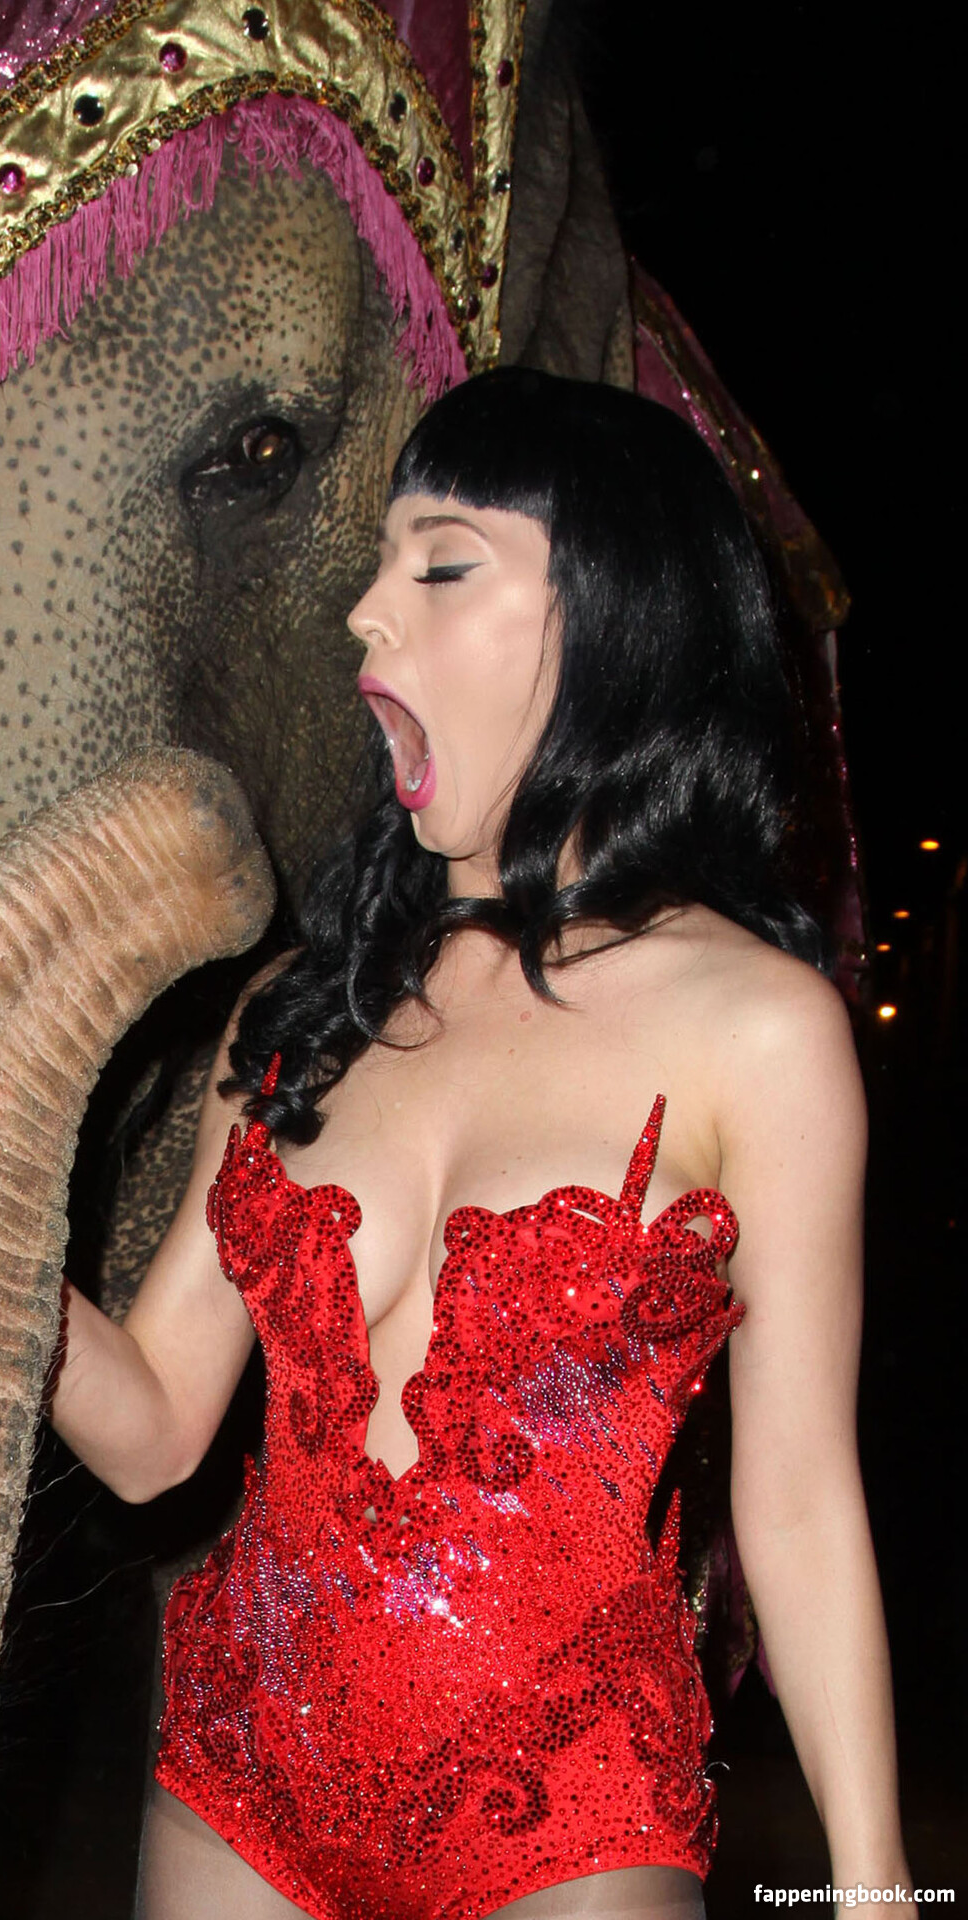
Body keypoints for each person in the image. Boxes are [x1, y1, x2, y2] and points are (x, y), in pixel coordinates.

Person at [48, 368, 914, 1918]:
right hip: (241, 1781)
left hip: (565, 1816)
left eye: (440, 563)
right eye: (378, 561)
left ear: (612, 617)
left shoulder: (758, 1031)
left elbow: (793, 1501)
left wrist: (870, 1889)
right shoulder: (301, 1009)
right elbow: (158, 1426)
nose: (365, 611)